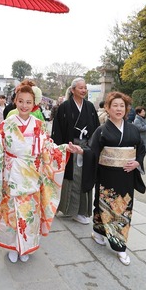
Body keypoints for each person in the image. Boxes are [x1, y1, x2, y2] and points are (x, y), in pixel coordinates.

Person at [0, 84, 69, 263]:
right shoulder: (6, 124)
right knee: (11, 211)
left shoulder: (39, 125)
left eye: (28, 102)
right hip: (11, 173)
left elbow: (48, 148)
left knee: (29, 213)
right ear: (15, 101)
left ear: (34, 104)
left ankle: (25, 246)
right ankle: (12, 245)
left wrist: (65, 148)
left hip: (31, 175)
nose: (24, 105)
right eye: (21, 101)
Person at [67, 91, 146, 266]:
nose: (119, 109)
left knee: (122, 208)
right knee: (103, 205)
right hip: (107, 176)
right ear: (108, 109)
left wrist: (137, 163)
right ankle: (99, 232)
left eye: (122, 106)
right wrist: (80, 151)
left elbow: (141, 149)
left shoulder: (132, 129)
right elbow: (92, 151)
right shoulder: (102, 130)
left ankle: (120, 246)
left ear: (126, 109)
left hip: (126, 176)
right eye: (115, 106)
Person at [51, 77, 99, 224]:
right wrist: (60, 148)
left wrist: (92, 147)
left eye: (85, 88)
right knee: (71, 178)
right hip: (69, 148)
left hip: (85, 149)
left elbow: (96, 128)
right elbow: (57, 130)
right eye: (80, 88)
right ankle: (69, 209)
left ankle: (80, 210)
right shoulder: (65, 107)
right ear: (73, 90)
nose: (84, 90)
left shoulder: (90, 107)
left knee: (83, 177)